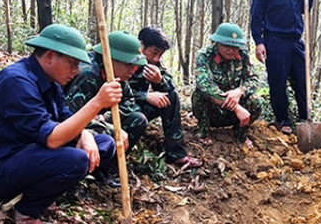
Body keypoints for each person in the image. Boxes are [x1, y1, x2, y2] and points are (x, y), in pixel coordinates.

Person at [0, 24, 122, 224]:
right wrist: (97, 103)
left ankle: (43, 190)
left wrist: (85, 133)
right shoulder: (16, 81)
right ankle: (25, 211)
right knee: (77, 159)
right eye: (72, 63)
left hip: (27, 153)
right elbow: (52, 139)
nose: (76, 71)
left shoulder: (51, 84)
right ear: (49, 57)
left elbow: (65, 118)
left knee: (104, 144)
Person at [250, 0, 313, 134]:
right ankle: (283, 121)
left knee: (302, 82)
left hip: (296, 40)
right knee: (278, 82)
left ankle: (306, 120)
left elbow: (306, 7)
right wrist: (259, 42)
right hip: (275, 40)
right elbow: (256, 13)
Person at [65, 31, 148, 159]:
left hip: (98, 119)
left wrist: (104, 117)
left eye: (135, 66)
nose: (133, 70)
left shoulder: (118, 74)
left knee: (138, 119)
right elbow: (70, 115)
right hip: (75, 127)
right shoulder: (87, 74)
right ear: (110, 59)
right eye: (128, 65)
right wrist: (111, 128)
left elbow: (129, 100)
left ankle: (112, 164)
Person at [129, 27, 202, 167]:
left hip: (137, 106)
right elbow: (115, 91)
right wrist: (145, 96)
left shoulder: (153, 63)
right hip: (120, 110)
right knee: (136, 116)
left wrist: (159, 81)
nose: (156, 59)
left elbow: (170, 85)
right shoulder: (125, 58)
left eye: (160, 55)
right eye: (154, 53)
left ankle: (176, 153)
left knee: (171, 97)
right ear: (141, 45)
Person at [192, 23, 262, 149]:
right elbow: (204, 84)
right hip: (212, 110)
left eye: (235, 47)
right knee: (199, 95)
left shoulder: (243, 55)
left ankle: (240, 133)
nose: (231, 50)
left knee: (256, 102)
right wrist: (236, 107)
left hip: (234, 113)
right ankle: (204, 132)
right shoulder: (204, 56)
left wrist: (239, 91)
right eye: (226, 46)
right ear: (217, 43)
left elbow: (253, 79)